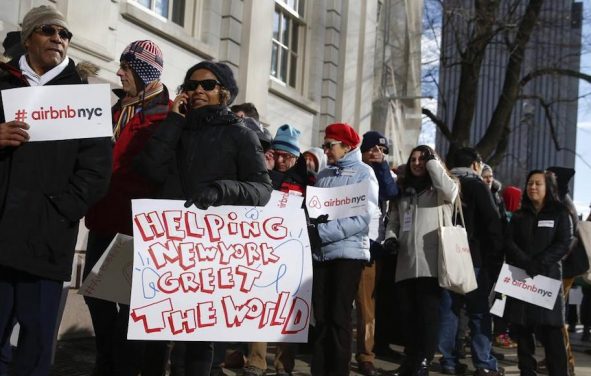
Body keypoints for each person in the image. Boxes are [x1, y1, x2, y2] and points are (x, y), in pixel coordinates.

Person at [136, 60, 272, 376]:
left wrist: (221, 189)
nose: (198, 90)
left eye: (207, 85)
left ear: (223, 92)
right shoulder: (175, 127)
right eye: (191, 85)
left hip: (209, 247)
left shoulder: (240, 134)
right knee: (156, 335)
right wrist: (172, 121)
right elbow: (149, 169)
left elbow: (262, 190)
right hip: (168, 243)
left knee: (197, 339)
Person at [0, 5, 111, 375]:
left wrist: (59, 210)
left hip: (46, 243)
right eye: (48, 30)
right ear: (28, 36)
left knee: (35, 348)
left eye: (65, 34)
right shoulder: (2, 84)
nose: (58, 39)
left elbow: (97, 171)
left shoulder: (84, 98)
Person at [83, 40, 172, 376]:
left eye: (127, 67)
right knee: (95, 297)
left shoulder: (168, 114)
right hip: (102, 218)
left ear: (145, 72)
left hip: (136, 228)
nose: (119, 72)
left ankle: (119, 366)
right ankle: (108, 359)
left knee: (130, 306)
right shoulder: (115, 109)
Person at [307, 123, 379, 375]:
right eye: (325, 145)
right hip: (322, 254)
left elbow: (361, 219)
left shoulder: (364, 173)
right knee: (322, 317)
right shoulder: (324, 175)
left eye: (330, 145)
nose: (326, 150)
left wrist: (321, 233)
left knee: (339, 317)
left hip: (348, 254)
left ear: (347, 146)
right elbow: (314, 212)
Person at [384, 145, 459, 376]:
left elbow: (452, 192)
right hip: (406, 261)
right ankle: (411, 360)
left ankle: (423, 361)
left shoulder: (440, 188)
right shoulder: (405, 190)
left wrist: (433, 161)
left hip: (431, 262)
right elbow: (394, 219)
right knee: (408, 316)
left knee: (428, 316)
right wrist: (391, 237)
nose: (417, 163)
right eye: (414, 159)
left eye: (422, 159)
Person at [242, 124, 309, 376]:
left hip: (293, 252)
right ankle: (256, 361)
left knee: (289, 310)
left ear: (296, 156)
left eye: (288, 156)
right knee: (260, 304)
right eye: (278, 154)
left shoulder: (306, 178)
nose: (281, 160)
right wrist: (267, 171)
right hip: (263, 251)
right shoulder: (263, 172)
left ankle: (284, 364)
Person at [438, 147, 504, 376]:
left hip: (445, 256)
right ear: (475, 165)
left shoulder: (442, 185)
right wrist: (495, 258)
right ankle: (483, 363)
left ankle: (448, 360)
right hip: (474, 258)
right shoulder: (477, 186)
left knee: (450, 310)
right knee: (478, 312)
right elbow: (493, 224)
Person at [503, 170, 572, 376]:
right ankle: (527, 371)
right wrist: (525, 262)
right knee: (523, 332)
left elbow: (563, 243)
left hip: (547, 279)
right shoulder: (518, 215)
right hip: (522, 278)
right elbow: (509, 242)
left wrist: (539, 263)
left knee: (552, 333)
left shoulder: (560, 213)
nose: (533, 187)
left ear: (548, 187)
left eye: (538, 184)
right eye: (530, 183)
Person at [353, 131, 399, 376]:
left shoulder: (387, 174)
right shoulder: (354, 169)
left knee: (366, 306)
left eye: (381, 150)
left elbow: (390, 192)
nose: (376, 154)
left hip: (373, 247)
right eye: (371, 149)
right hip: (348, 242)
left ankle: (365, 355)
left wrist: (381, 168)